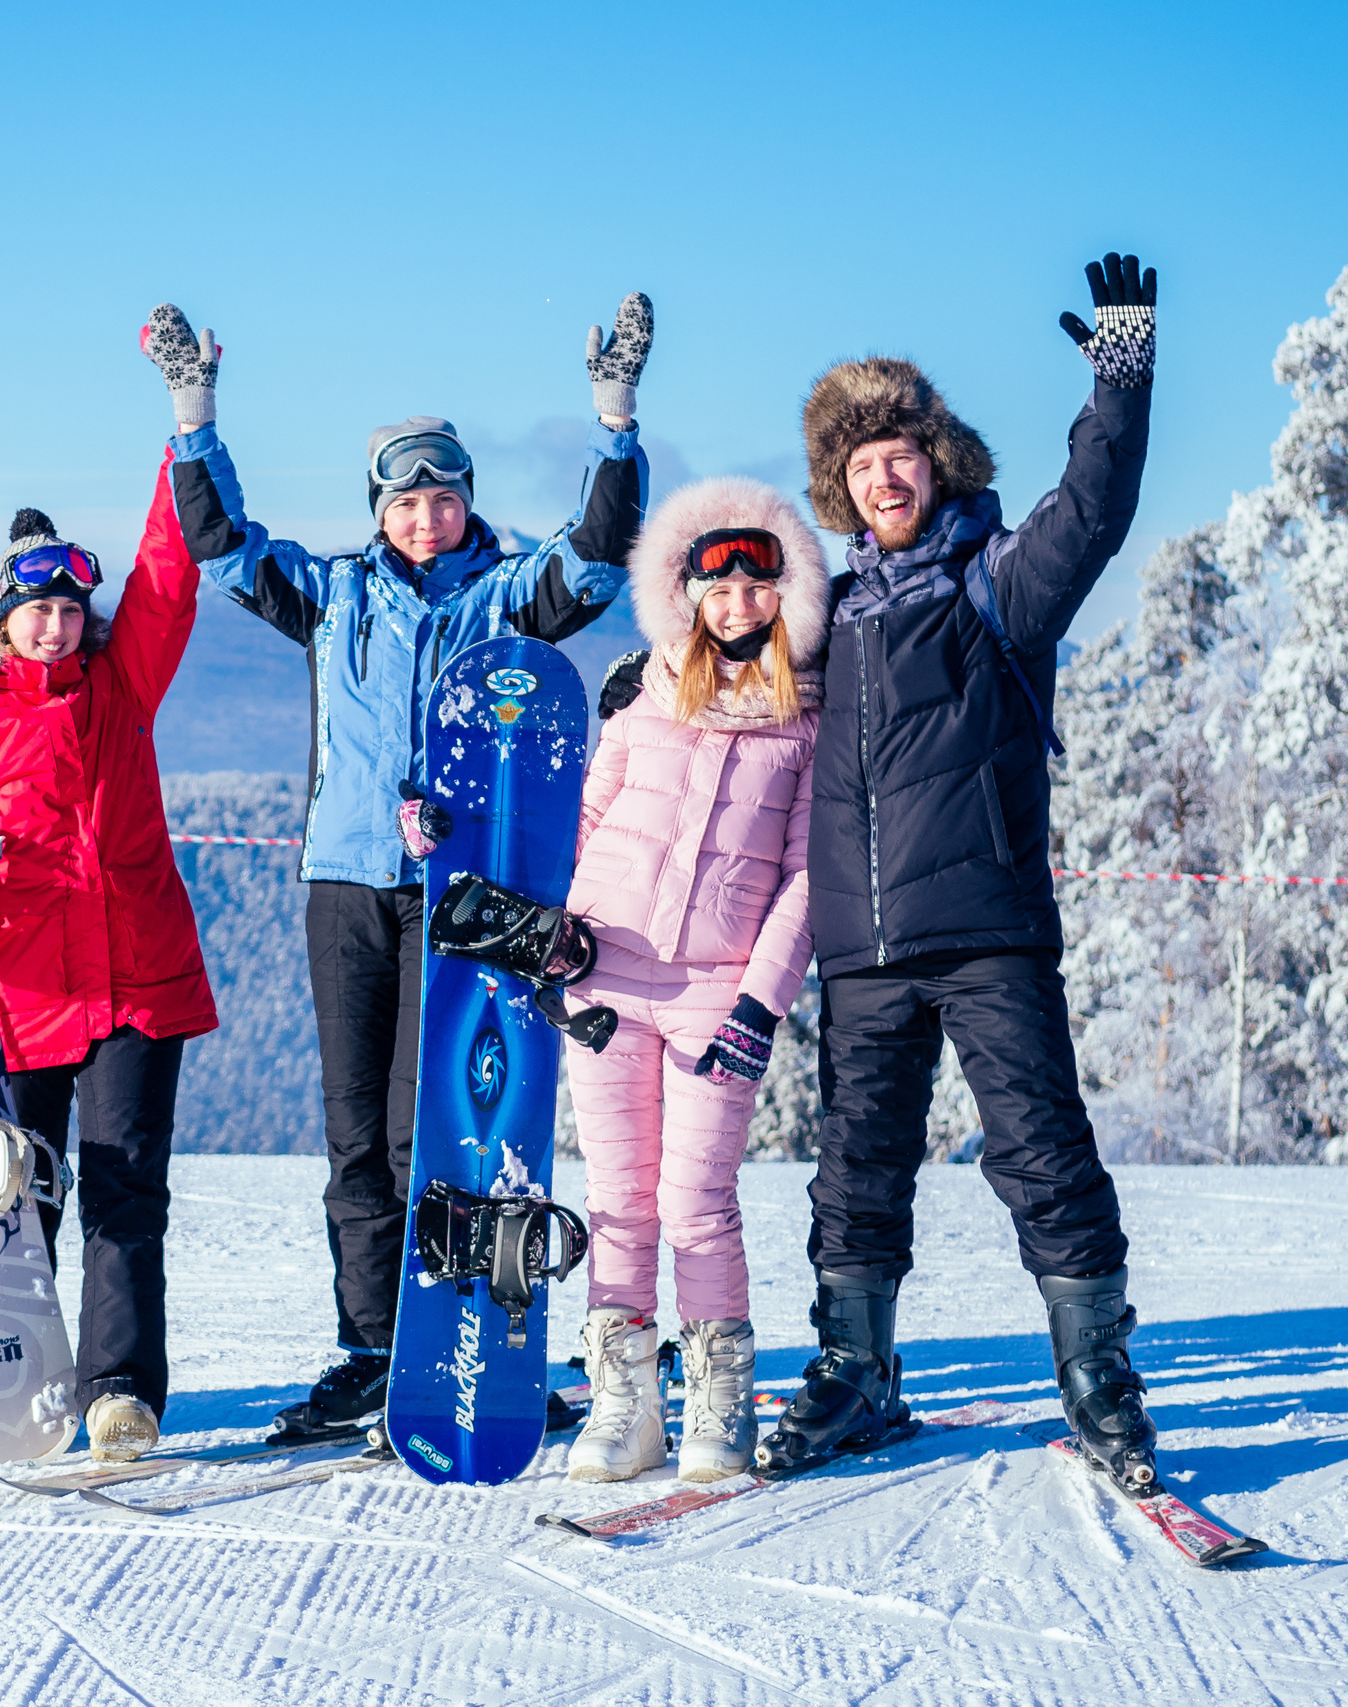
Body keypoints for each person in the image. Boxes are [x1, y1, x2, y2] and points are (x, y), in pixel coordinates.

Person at [154, 297, 655, 1435]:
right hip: (342, 886)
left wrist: (612, 421)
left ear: (468, 497)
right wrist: (195, 415)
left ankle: (469, 1329)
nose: (424, 517)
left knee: (432, 1128)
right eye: (402, 499)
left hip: (463, 896)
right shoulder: (334, 597)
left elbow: (596, 556)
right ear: (377, 507)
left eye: (441, 496)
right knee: (352, 1141)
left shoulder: (506, 594)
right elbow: (220, 546)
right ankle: (370, 1348)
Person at [749, 255, 1163, 1483]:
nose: (884, 473)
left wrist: (1120, 376)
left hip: (984, 925)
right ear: (838, 487)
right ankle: (857, 1373)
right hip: (862, 946)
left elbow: (1093, 504)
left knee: (1039, 1149)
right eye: (861, 461)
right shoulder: (822, 617)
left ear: (939, 464)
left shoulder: (994, 587)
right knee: (853, 1170)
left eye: (902, 452)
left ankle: (1096, 1374)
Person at [0, 426, 215, 1462]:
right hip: (21, 990)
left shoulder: (121, 689)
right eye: (35, 609)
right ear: (1, 623)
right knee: (18, 1188)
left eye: (70, 609)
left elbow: (168, 582)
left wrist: (186, 429)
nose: (54, 625)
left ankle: (120, 1390)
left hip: (135, 982)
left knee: (125, 1191)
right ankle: (23, 1376)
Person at [558, 479, 830, 1483]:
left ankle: (719, 1394)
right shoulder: (641, 699)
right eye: (717, 586)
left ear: (785, 593)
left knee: (697, 1202)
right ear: (685, 593)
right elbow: (586, 822)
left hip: (718, 987)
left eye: (757, 584)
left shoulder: (805, 721)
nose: (737, 603)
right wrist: (557, 938)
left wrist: (761, 1002)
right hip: (604, 977)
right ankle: (622, 1402)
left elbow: (806, 879)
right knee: (618, 1202)